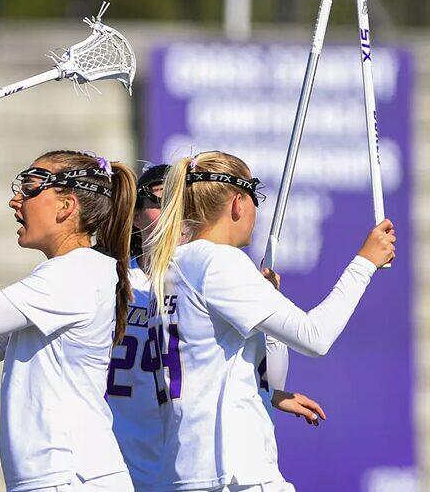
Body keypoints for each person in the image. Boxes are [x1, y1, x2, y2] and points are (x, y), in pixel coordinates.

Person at [145, 151, 394, 491]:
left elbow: (259, 373)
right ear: (238, 204)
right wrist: (364, 263)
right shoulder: (219, 262)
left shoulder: (169, 265)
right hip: (234, 473)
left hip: (182, 470)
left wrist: (273, 388)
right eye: (254, 198)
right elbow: (315, 337)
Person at [0, 150, 134, 491]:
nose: (15, 200)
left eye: (30, 188)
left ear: (66, 206)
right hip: (57, 475)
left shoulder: (75, 273)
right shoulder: (67, 273)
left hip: (70, 476)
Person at [105, 164, 324, 491]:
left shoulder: (200, 278)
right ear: (134, 216)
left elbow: (258, 373)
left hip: (175, 464)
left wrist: (269, 390)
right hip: (122, 464)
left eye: (182, 205)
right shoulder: (114, 282)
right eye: (161, 203)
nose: (173, 215)